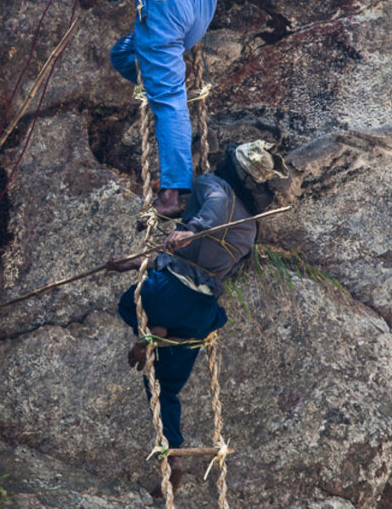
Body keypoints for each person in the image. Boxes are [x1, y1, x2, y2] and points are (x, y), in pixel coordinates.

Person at [106, 141, 284, 497]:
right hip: (201, 313)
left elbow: (215, 207)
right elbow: (213, 269)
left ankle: (151, 329)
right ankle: (172, 452)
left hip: (168, 294)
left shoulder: (212, 185)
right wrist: (143, 257)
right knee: (164, 385)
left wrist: (192, 228)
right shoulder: (250, 228)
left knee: (129, 302)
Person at [77, 0, 228, 217]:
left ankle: (173, 192)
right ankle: (174, 73)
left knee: (167, 96)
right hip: (201, 5)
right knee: (124, 55)